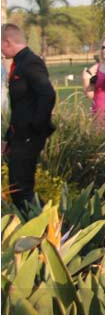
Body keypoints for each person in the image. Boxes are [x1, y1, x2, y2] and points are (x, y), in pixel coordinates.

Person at [1, 24, 56, 210]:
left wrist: (35, 129)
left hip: (29, 136)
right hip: (20, 137)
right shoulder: (19, 63)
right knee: (17, 188)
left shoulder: (30, 63)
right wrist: (10, 139)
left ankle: (47, 223)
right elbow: (20, 107)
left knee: (22, 190)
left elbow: (47, 95)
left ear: (8, 41)